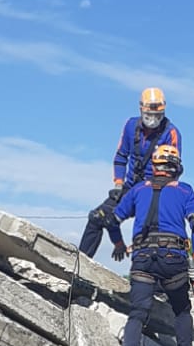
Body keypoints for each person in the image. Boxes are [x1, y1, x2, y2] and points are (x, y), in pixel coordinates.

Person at [111, 142, 194, 346]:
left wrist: (118, 243)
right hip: (173, 259)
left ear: (154, 166)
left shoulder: (138, 189)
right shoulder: (184, 190)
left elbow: (114, 219)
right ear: (177, 167)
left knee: (137, 312)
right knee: (182, 311)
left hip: (142, 258)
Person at [78, 88, 184, 259]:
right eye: (149, 114)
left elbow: (174, 168)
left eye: (158, 115)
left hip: (154, 190)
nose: (153, 119)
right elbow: (121, 157)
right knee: (98, 217)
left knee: (151, 238)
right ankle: (79, 264)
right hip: (130, 187)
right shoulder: (130, 126)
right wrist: (118, 184)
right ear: (141, 109)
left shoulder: (171, 133)